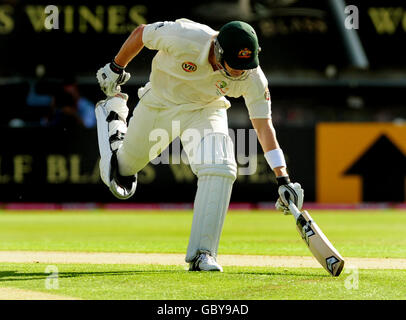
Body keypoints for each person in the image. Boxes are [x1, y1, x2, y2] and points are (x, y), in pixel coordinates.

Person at [95, 19, 304, 272]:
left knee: (222, 167)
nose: (240, 73)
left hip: (205, 109)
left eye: (246, 67)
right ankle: (114, 115)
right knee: (121, 176)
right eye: (235, 67)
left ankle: (203, 254)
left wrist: (283, 178)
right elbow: (141, 33)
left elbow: (263, 126)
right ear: (218, 52)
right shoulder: (186, 36)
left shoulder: (253, 77)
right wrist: (116, 67)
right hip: (159, 104)